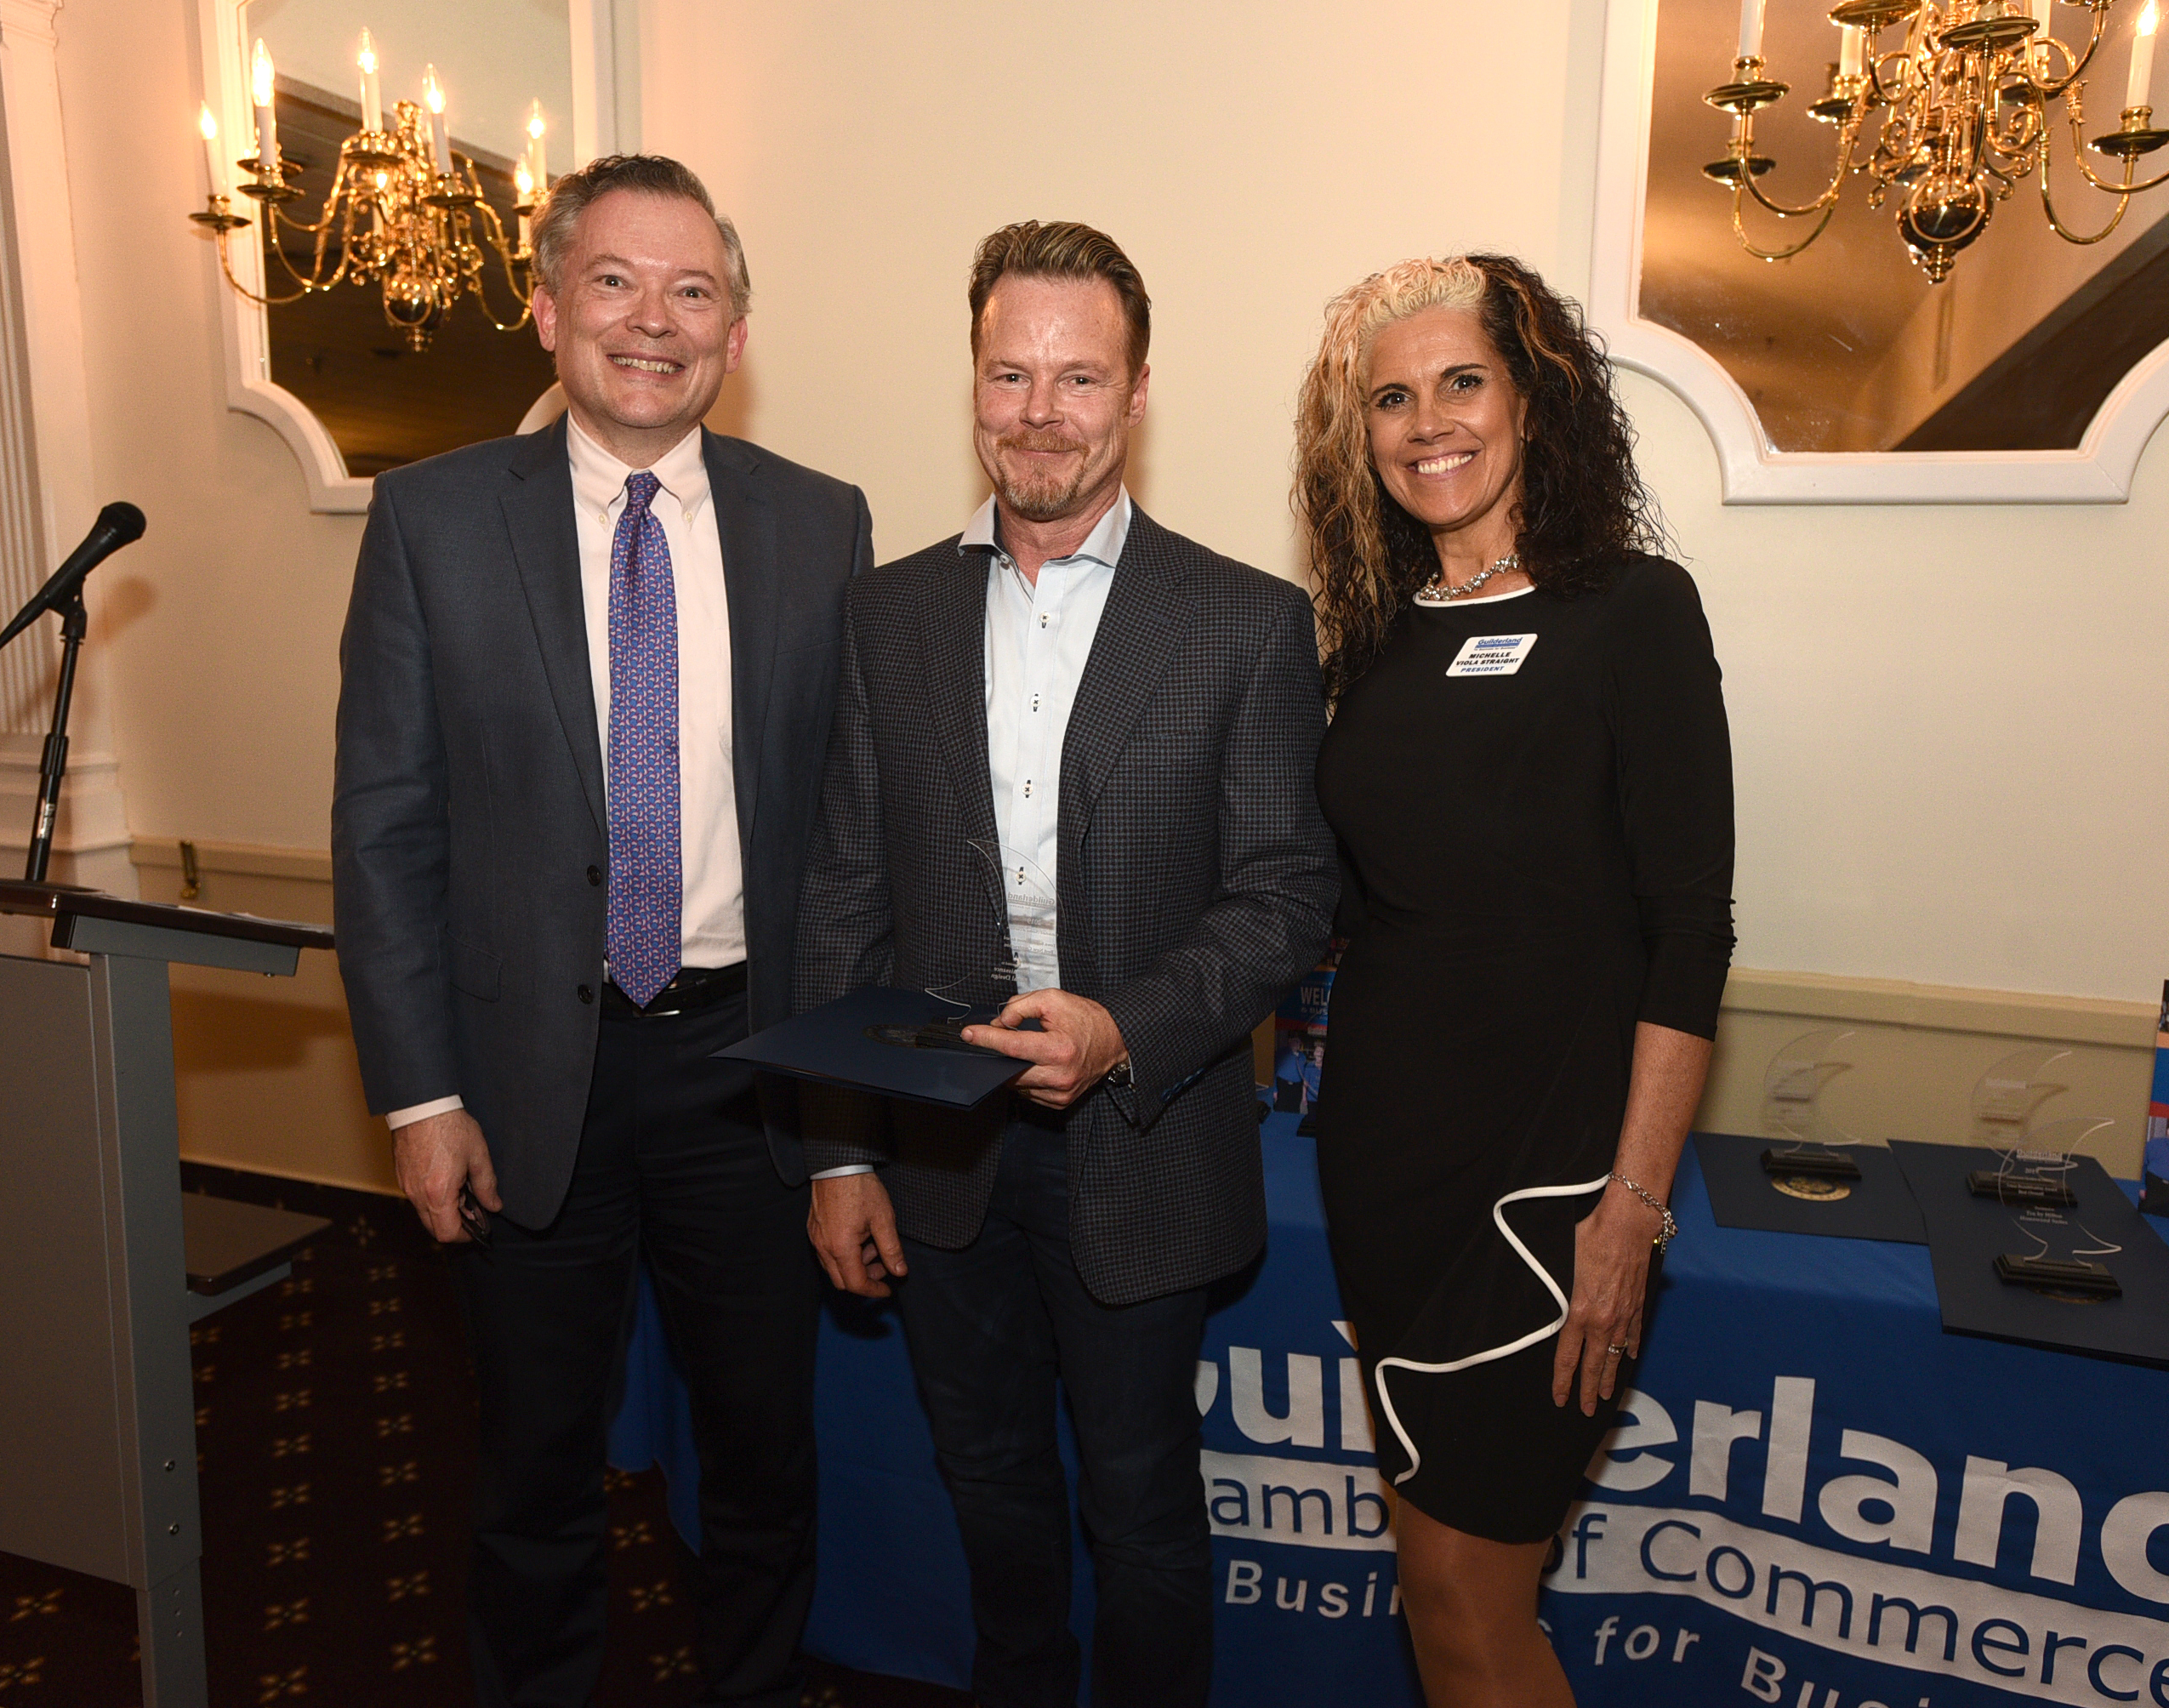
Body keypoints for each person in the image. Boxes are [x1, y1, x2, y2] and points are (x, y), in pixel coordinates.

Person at [332, 155, 874, 1708]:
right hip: (520, 1081)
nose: (654, 321)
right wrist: (420, 1099)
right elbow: (385, 824)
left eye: (692, 291)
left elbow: (848, 841)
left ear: (735, 332)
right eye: (617, 282)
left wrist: (845, 1126)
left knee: (764, 1452)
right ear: (548, 307)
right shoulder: (432, 520)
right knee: (533, 1462)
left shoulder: (818, 523)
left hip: (747, 1073)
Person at [795, 220, 1336, 1708]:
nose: (1040, 413)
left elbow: (1287, 897)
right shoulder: (886, 614)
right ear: (973, 382)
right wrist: (838, 1152)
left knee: (1142, 1511)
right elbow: (842, 894)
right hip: (938, 1149)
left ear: (1137, 393)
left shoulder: (1244, 621)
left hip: (1145, 1141)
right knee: (987, 1483)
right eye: (1009, 374)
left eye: (1079, 378)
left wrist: (1125, 1025)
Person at [1291, 254, 1733, 1708]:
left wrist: (1633, 1204)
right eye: (1390, 398)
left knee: (1471, 1595)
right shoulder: (1373, 642)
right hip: (1389, 1169)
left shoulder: (1634, 611)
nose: (1427, 421)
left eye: (1461, 381)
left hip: (1554, 1182)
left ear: (1532, 401)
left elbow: (1689, 930)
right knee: (1440, 1587)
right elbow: (1347, 905)